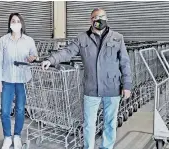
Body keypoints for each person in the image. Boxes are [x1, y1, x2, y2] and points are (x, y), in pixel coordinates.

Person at [42, 8, 132, 149]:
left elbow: (125, 63)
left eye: (102, 16)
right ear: (91, 20)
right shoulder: (82, 38)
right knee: (89, 124)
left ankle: (106, 147)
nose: (99, 19)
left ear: (106, 18)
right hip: (91, 88)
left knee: (110, 122)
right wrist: (51, 59)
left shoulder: (117, 38)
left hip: (112, 88)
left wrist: (127, 85)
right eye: (95, 17)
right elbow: (67, 51)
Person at [0, 13, 38, 149]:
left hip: (22, 80)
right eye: (13, 21)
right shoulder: (3, 40)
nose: (15, 23)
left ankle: (17, 135)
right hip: (7, 80)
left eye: (18, 21)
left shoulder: (29, 40)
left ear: (21, 23)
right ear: (9, 24)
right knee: (5, 111)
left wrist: (33, 58)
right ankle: (7, 137)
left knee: (20, 109)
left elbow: (35, 55)